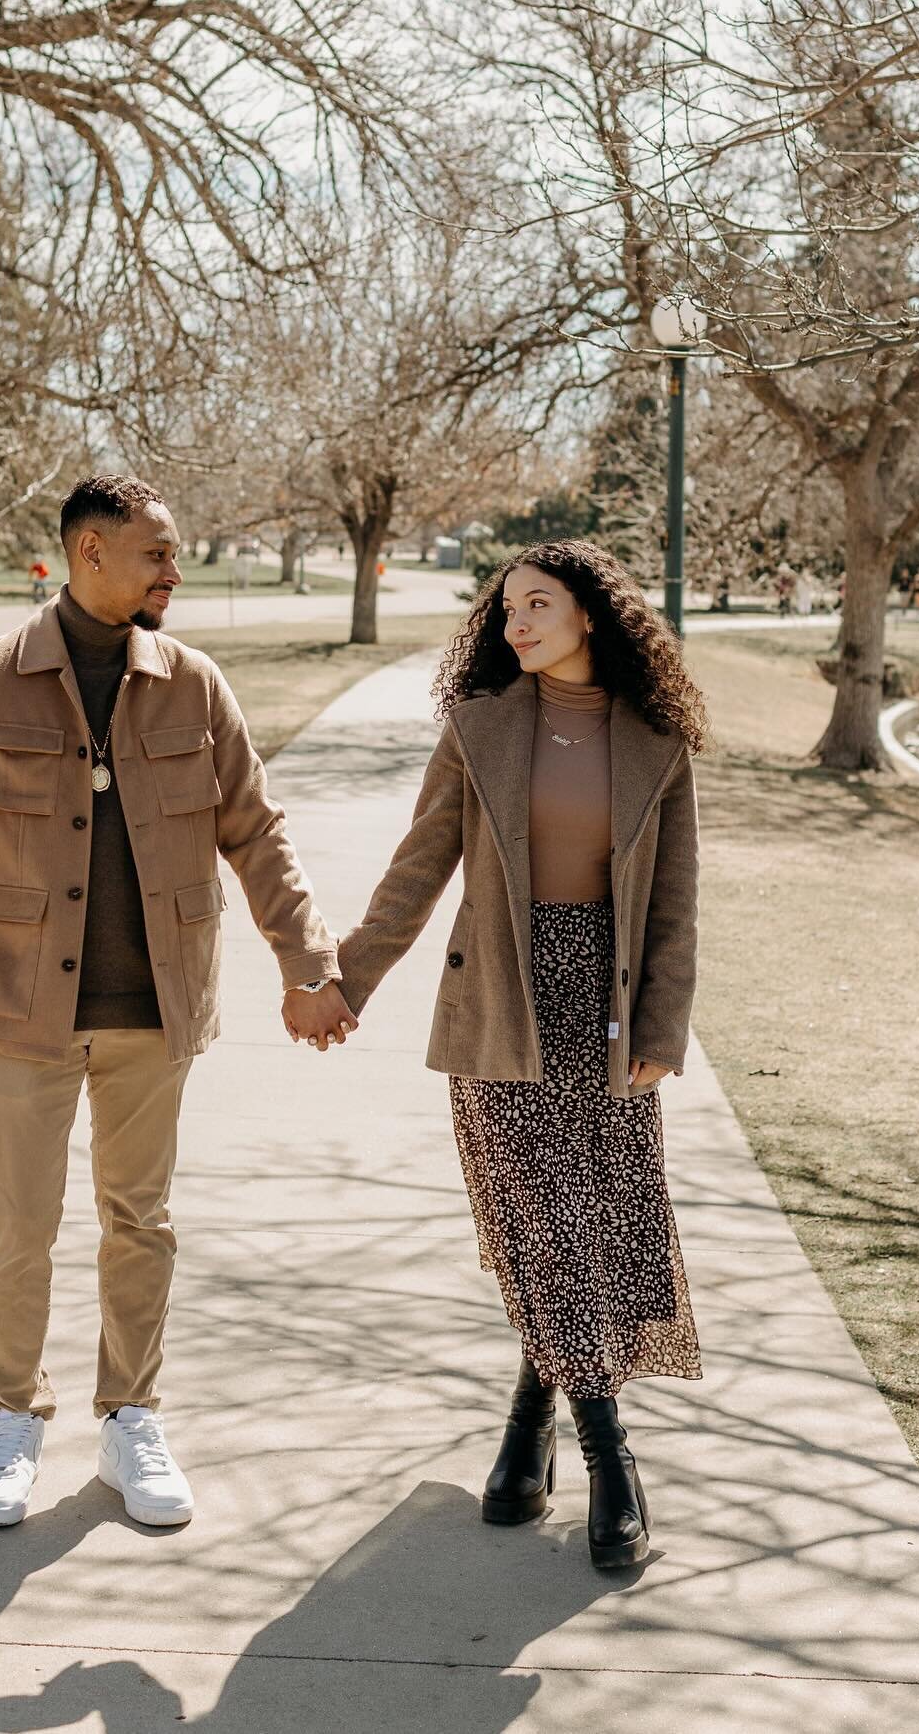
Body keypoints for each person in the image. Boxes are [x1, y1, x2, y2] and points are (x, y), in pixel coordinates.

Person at [0, 475, 357, 1532]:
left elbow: (258, 832)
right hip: (19, 1014)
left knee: (139, 1219)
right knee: (16, 1223)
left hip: (158, 1011)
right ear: (90, 552)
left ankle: (130, 1413)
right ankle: (11, 1417)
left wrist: (307, 961)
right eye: (157, 552)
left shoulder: (195, 685)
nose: (174, 569)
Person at [332, 539, 705, 1570]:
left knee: (590, 1212)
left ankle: (525, 1421)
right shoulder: (479, 729)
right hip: (501, 995)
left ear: (592, 612)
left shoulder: (657, 739)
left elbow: (672, 904)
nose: (516, 624)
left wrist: (664, 1032)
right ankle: (609, 1451)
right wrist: (346, 979)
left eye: (537, 605)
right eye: (505, 611)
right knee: (540, 1208)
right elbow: (416, 870)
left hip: (610, 1005)